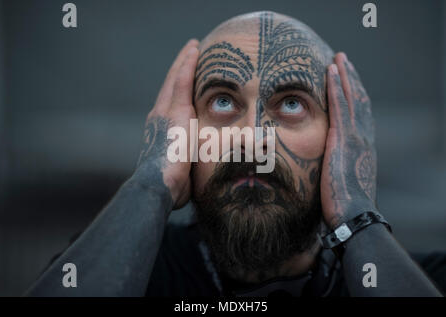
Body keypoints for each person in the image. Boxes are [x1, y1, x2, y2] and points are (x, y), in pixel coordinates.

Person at [27, 11, 444, 297]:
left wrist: (358, 216)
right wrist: (151, 182)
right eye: (223, 102)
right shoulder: (122, 267)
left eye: (292, 104)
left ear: (341, 134)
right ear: (184, 131)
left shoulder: (427, 279)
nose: (252, 138)